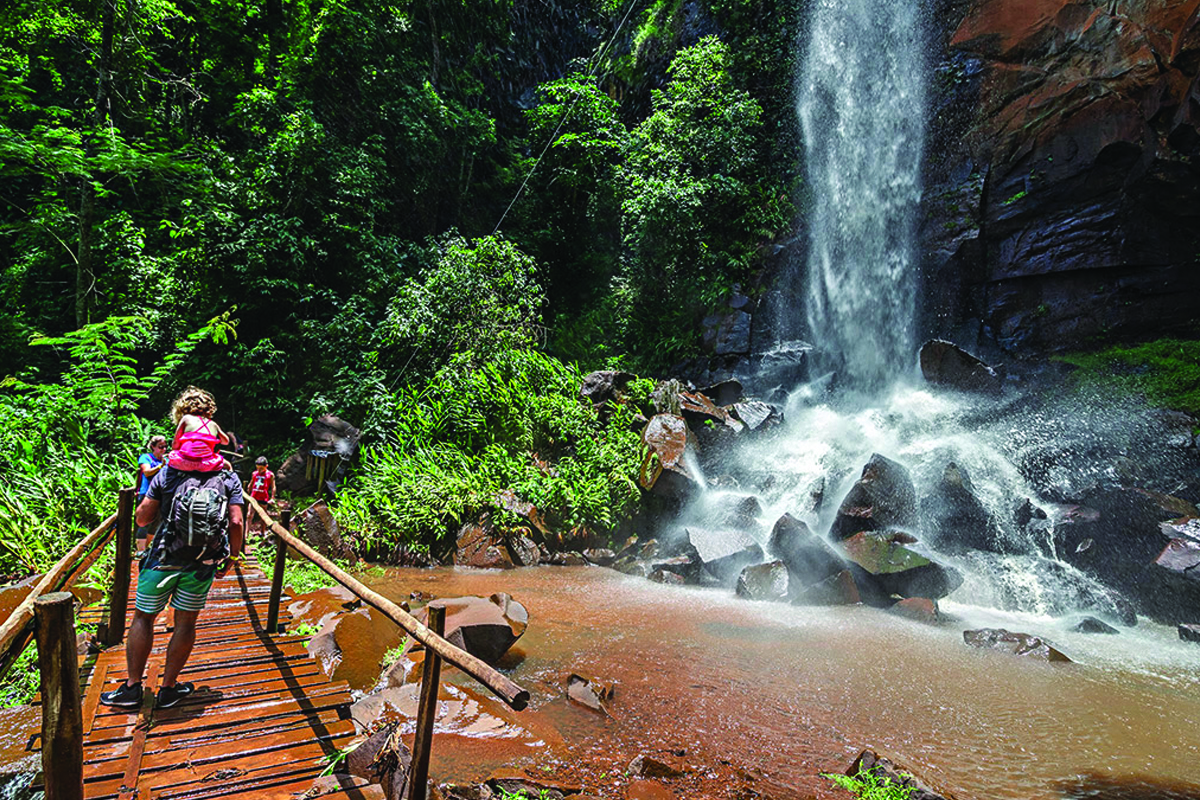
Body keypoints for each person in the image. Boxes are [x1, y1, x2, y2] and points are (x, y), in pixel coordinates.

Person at [99, 464, 244, 710]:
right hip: (201, 563)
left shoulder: (168, 472)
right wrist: (232, 557)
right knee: (186, 623)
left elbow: (142, 517)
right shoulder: (228, 477)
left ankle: (133, 687)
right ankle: (168, 688)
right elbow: (237, 522)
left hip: (162, 560)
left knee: (144, 618)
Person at [167, 386, 229, 473]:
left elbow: (175, 444)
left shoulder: (186, 418)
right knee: (228, 466)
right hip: (207, 464)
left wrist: (175, 452)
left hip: (185, 462)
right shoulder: (213, 424)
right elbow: (225, 441)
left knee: (170, 460)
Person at [135, 435, 168, 553]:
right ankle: (140, 550)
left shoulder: (167, 460)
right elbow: (147, 472)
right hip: (147, 493)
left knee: (157, 522)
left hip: (162, 494)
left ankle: (146, 549)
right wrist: (161, 466)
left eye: (165, 447)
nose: (163, 450)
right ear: (153, 447)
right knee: (143, 522)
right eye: (160, 447)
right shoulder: (146, 457)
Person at [246, 457, 276, 533]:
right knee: (249, 515)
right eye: (258, 468)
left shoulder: (270, 475)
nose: (259, 470)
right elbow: (251, 483)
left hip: (263, 498)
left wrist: (272, 498)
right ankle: (246, 534)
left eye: (261, 468)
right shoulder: (254, 473)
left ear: (266, 466)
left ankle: (262, 532)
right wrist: (248, 491)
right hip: (254, 497)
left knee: (263, 517)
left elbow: (273, 487)